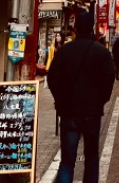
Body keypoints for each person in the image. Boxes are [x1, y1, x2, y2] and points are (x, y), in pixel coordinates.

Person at [48, 11, 115, 183]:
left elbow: (52, 78)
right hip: (92, 112)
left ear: (75, 28)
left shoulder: (64, 51)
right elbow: (109, 80)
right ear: (92, 27)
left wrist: (60, 100)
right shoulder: (101, 52)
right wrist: (100, 100)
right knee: (92, 158)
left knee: (67, 161)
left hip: (69, 111)